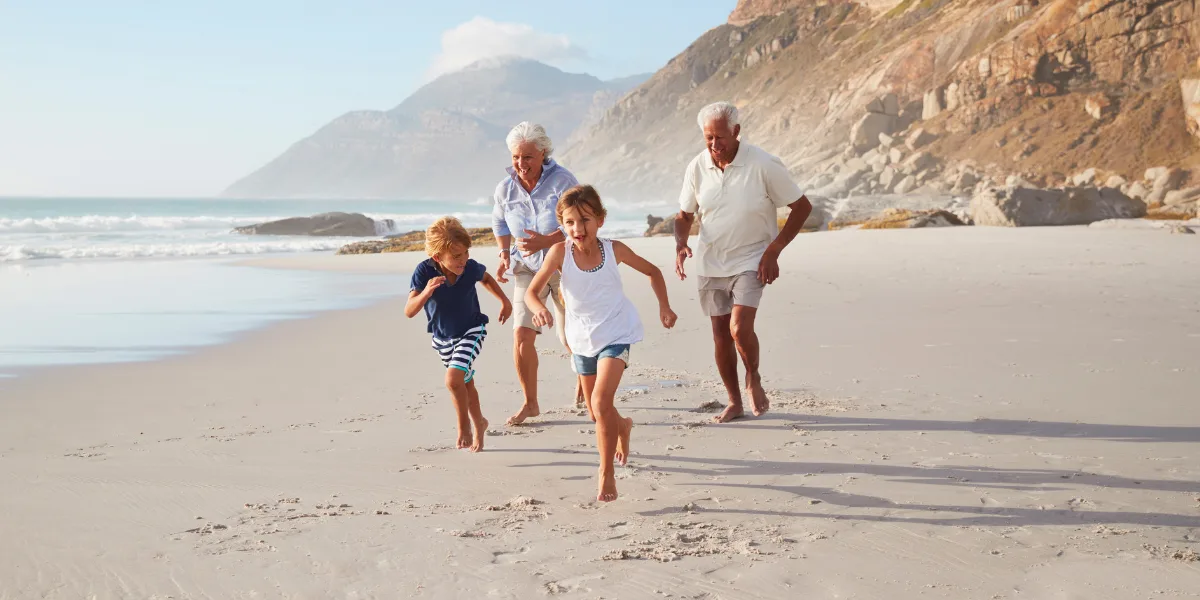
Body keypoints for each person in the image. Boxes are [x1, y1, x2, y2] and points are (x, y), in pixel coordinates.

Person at [525, 185, 678, 502]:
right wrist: (538, 308)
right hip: (581, 339)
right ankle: (622, 426)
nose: (577, 228)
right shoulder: (559, 253)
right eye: (569, 222)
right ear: (562, 225)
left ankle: (606, 473)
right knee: (598, 413)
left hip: (616, 333)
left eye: (585, 220)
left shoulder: (614, 250)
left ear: (600, 220)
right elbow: (531, 292)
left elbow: (653, 271)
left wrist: (664, 306)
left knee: (599, 401)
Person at [674, 101, 813, 424]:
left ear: (736, 131)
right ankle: (734, 401)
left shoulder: (763, 164)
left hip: (752, 258)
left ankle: (753, 375)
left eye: (720, 137)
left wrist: (774, 250)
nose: (714, 144)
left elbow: (802, 207)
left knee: (739, 328)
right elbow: (684, 215)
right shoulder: (697, 166)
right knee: (720, 335)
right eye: (708, 138)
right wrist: (680, 244)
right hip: (710, 261)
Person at [492, 121, 585, 426]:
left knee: (571, 335)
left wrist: (547, 241)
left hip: (564, 265)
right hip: (526, 268)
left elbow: (580, 220)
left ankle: (585, 377)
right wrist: (504, 253)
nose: (521, 164)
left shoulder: (563, 181)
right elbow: (500, 223)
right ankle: (530, 403)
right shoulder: (505, 189)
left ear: (543, 152)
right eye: (516, 157)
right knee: (521, 335)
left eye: (528, 157)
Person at [405, 217, 513, 452]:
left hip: (472, 329)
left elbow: (486, 278)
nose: (463, 260)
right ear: (437, 257)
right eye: (456, 256)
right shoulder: (424, 271)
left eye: (465, 253)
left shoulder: (469, 268)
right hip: (442, 338)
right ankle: (480, 423)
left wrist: (504, 301)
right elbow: (409, 311)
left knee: (453, 380)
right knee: (465, 383)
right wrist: (426, 292)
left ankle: (464, 427)